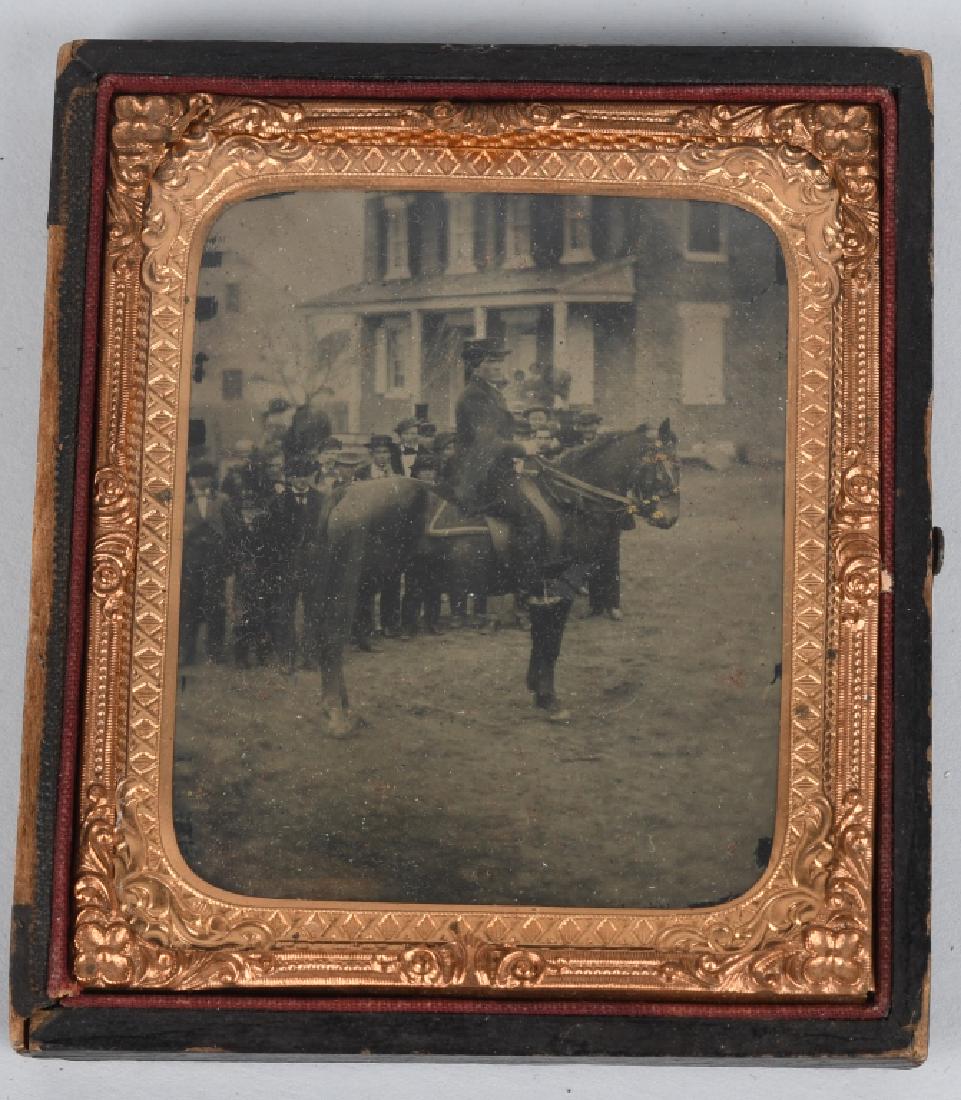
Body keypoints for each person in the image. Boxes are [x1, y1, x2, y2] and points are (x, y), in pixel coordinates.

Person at [449, 337, 551, 596]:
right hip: (481, 475)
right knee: (531, 520)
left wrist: (525, 440)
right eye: (490, 361)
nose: (497, 366)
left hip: (494, 469)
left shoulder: (490, 393)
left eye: (499, 361)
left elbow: (499, 431)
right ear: (475, 366)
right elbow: (487, 439)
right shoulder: (474, 396)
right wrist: (522, 448)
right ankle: (521, 590)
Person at [179, 461, 241, 665]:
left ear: (211, 479)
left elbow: (234, 529)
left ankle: (215, 652)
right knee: (189, 606)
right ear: (192, 480)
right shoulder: (182, 501)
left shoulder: (222, 501)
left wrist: (227, 554)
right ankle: (186, 652)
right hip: (190, 563)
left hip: (215, 562)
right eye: (197, 477)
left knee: (215, 606)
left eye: (206, 476)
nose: (200, 481)